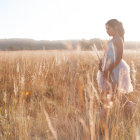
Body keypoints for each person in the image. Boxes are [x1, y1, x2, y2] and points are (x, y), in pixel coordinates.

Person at [97, 19, 135, 110]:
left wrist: (110, 69)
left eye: (108, 28)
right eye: (106, 29)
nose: (107, 31)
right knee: (108, 89)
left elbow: (119, 57)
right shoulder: (110, 40)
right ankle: (105, 109)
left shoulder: (118, 40)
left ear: (115, 27)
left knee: (115, 89)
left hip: (115, 67)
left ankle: (130, 106)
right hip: (107, 66)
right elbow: (106, 53)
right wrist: (101, 62)